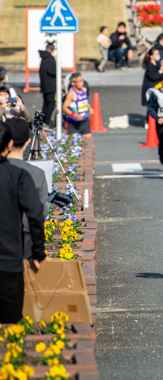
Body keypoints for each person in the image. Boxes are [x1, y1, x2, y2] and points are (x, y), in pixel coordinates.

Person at [0, 122, 46, 323]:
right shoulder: (21, 175)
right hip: (10, 258)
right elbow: (36, 213)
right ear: (9, 144)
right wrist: (39, 251)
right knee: (11, 321)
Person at [5, 118, 48, 258]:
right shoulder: (37, 173)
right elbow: (41, 212)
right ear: (28, 141)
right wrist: (39, 250)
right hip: (25, 236)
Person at [62, 72, 94, 137]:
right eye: (79, 81)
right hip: (73, 123)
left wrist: (89, 108)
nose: (82, 83)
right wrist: (75, 115)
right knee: (71, 145)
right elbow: (64, 108)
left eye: (82, 81)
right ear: (73, 83)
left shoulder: (84, 90)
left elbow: (84, 101)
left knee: (88, 144)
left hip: (84, 121)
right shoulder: (71, 93)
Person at [39, 42, 56, 127]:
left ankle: (42, 120)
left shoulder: (44, 58)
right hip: (50, 86)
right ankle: (47, 121)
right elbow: (53, 71)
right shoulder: (50, 59)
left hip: (45, 85)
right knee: (51, 103)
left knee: (46, 103)